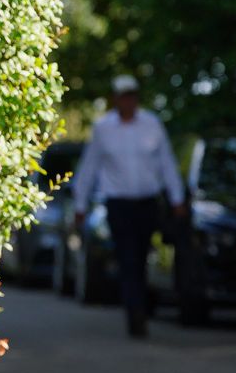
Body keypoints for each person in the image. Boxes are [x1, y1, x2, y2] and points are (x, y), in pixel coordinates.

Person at [71, 75, 186, 337]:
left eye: (132, 96)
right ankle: (135, 313)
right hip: (118, 204)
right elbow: (89, 167)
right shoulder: (103, 128)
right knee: (127, 257)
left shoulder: (151, 124)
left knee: (141, 257)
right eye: (123, 96)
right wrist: (80, 204)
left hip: (147, 203)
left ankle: (139, 307)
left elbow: (167, 163)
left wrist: (177, 199)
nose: (128, 101)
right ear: (116, 99)